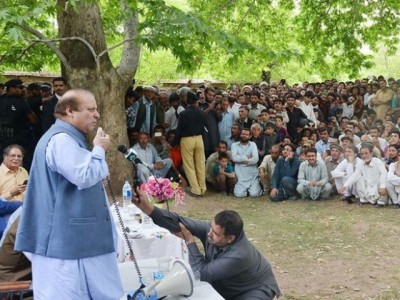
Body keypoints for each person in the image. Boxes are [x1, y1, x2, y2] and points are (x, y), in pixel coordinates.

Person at [15, 89, 123, 299]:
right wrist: (99, 149)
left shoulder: (66, 138)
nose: (97, 115)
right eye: (90, 110)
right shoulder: (61, 140)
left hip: (72, 241)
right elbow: (84, 176)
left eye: (96, 110)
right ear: (69, 111)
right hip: (65, 244)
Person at [132, 190, 281, 300]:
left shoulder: (240, 255)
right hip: (229, 284)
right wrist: (148, 208)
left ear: (230, 239)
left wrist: (190, 241)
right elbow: (178, 221)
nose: (209, 233)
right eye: (211, 227)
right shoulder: (213, 230)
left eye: (215, 234)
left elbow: (201, 274)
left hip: (254, 289)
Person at [172, 91, 206, 197]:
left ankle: (195, 189)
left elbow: (179, 130)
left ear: (187, 101)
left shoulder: (183, 113)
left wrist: (174, 143)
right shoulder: (202, 112)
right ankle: (202, 188)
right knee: (200, 164)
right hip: (199, 138)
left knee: (189, 165)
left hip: (187, 139)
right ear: (196, 101)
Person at [339, 142, 388, 207]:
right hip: (367, 189)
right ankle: (364, 200)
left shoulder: (377, 161)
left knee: (383, 181)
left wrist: (382, 187)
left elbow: (384, 174)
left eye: (366, 153)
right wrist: (344, 186)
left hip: (378, 188)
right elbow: (354, 176)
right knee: (358, 178)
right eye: (362, 154)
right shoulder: (361, 164)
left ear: (371, 153)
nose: (364, 156)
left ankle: (381, 202)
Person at [231, 128, 262, 197]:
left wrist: (240, 159)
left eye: (246, 134)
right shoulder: (234, 145)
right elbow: (234, 158)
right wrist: (247, 157)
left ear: (250, 136)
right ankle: (246, 191)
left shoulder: (253, 144)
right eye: (243, 134)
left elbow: (255, 159)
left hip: (252, 175)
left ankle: (251, 190)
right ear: (240, 135)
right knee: (239, 195)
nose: (244, 136)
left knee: (255, 194)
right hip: (240, 176)